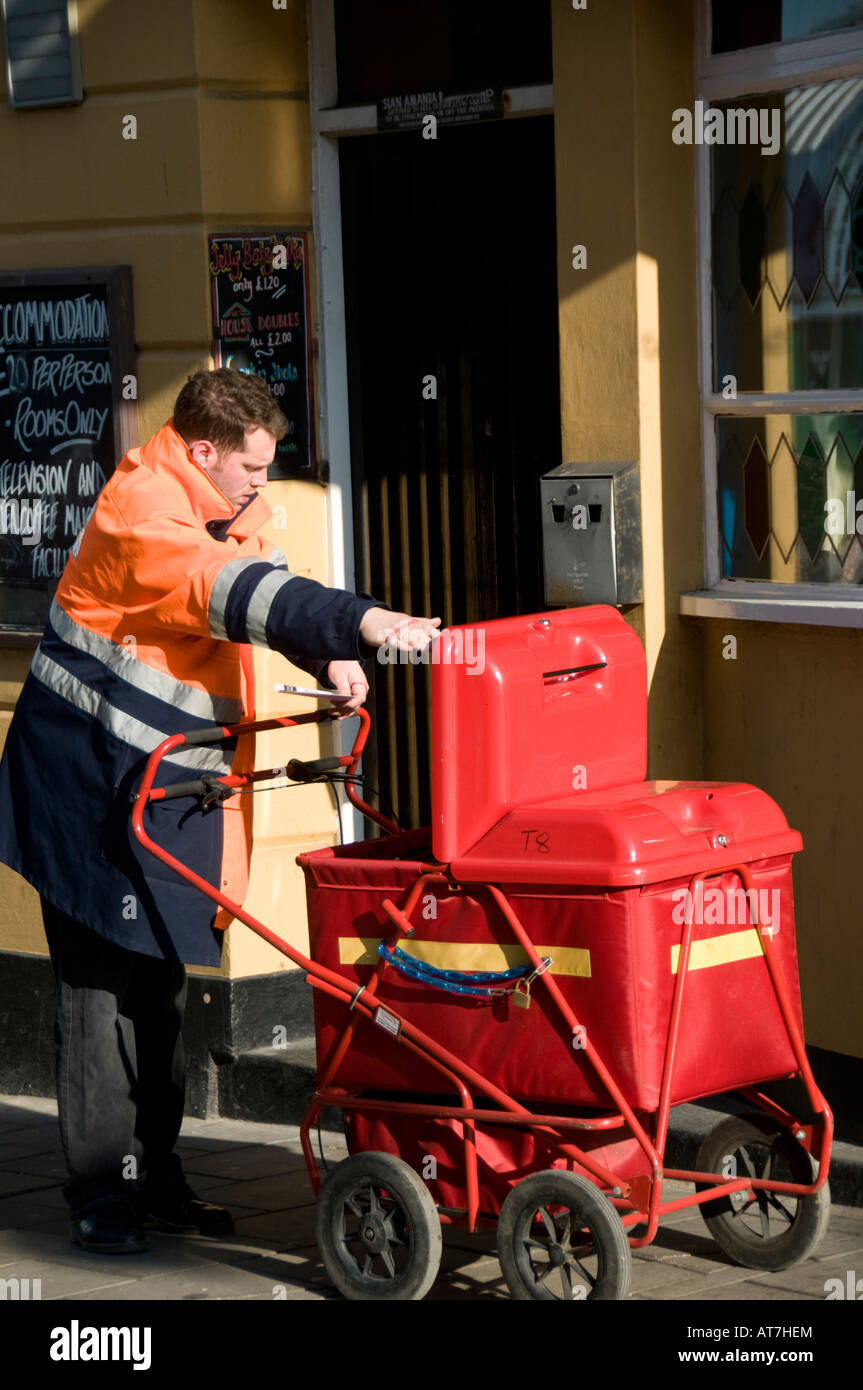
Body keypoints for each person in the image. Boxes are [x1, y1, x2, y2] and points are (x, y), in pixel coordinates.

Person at [0, 368, 440, 1253]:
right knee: (102, 999)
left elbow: (257, 591)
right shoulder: (144, 515)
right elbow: (219, 589)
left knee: (156, 989)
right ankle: (102, 1194)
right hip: (84, 787)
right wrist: (361, 623)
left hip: (154, 787)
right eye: (251, 466)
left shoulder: (220, 503)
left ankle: (156, 1178)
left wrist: (324, 655)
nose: (262, 484)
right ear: (203, 452)